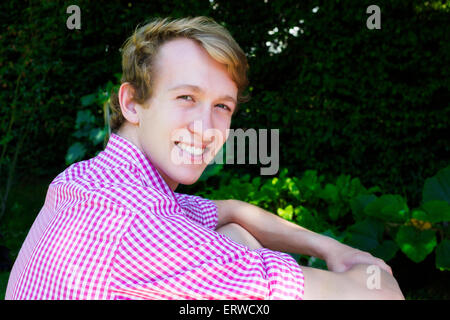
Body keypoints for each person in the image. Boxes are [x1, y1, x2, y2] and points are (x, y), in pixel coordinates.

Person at [6, 16, 404, 300]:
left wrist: (334, 249)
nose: (205, 126)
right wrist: (370, 269)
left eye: (222, 106)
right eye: (186, 98)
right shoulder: (141, 225)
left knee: (236, 236)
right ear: (131, 103)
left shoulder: (87, 180)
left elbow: (231, 209)